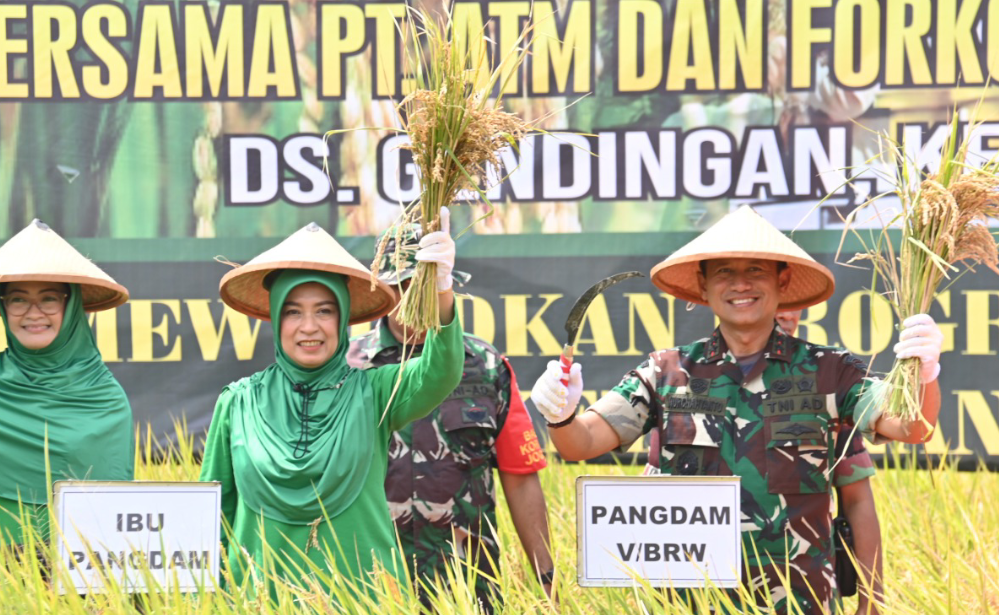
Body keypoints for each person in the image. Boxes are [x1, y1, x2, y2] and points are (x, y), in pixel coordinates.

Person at [531, 205, 944, 615]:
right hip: (689, 602)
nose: (740, 284)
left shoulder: (828, 372)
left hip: (801, 603)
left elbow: (912, 427)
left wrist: (925, 374)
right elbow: (580, 444)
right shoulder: (666, 372)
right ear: (704, 284)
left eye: (756, 271)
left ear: (782, 281)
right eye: (724, 271)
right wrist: (561, 413)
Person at [199, 213, 464, 598]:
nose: (309, 326)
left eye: (324, 310)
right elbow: (211, 517)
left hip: (363, 600)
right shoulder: (238, 401)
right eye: (293, 312)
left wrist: (441, 289)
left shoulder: (375, 393)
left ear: (341, 320)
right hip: (258, 600)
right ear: (276, 318)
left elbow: (440, 372)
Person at [346, 224, 553, 612]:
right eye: (402, 286)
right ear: (382, 290)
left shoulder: (484, 366)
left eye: (425, 286)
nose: (413, 300)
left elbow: (521, 478)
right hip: (369, 586)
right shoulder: (347, 369)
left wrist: (546, 581)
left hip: (467, 588)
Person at [0, 220, 134, 546]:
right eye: (18, 299)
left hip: (78, 572)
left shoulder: (105, 397)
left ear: (71, 306)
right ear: (4, 308)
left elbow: (112, 509)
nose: (33, 313)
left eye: (49, 299)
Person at [777, 309, 883, 614]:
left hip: (807, 598)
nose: (785, 311)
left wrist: (871, 603)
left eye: (794, 301)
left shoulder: (827, 380)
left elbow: (857, 500)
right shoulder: (686, 378)